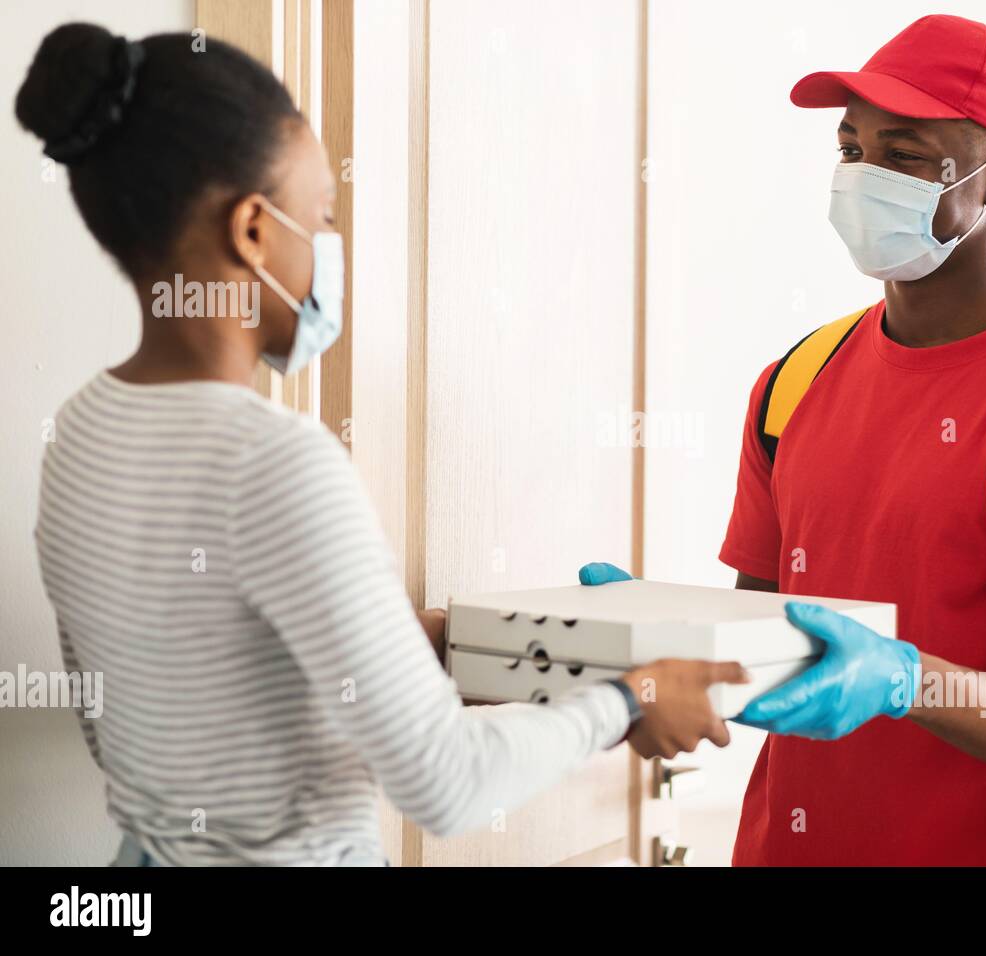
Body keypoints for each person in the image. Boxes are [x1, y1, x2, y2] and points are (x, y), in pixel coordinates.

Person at [18, 23, 745, 867]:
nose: (331, 245)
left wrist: (407, 647)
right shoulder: (275, 461)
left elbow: (150, 715)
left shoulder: (78, 432)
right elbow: (448, 784)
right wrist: (630, 700)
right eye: (322, 214)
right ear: (253, 230)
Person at [581, 14, 986, 866]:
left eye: (903, 155)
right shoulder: (794, 383)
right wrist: (639, 640)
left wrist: (906, 680)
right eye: (851, 149)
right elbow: (763, 632)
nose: (862, 176)